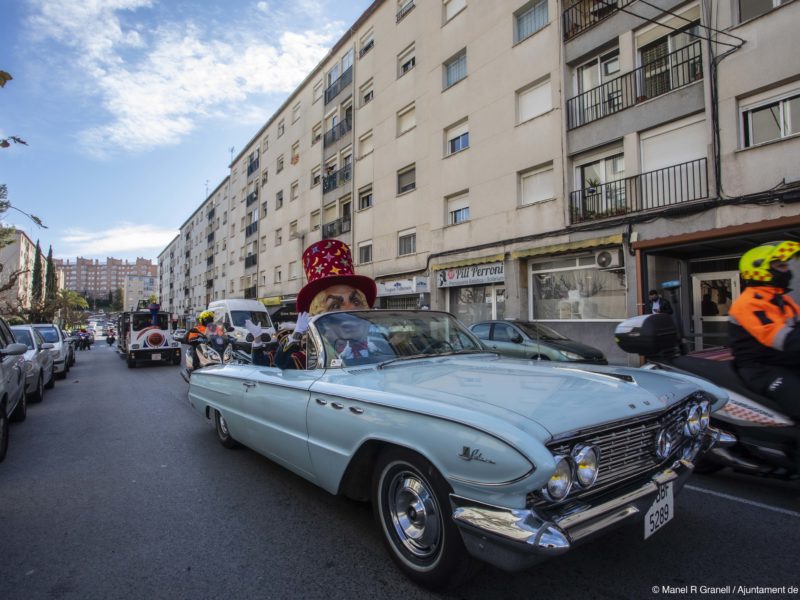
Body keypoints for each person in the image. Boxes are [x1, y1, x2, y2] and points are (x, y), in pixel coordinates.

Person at [247, 239, 377, 369]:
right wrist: (259, 339)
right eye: (336, 306)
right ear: (318, 313)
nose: (349, 310)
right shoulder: (310, 356)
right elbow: (278, 362)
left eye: (355, 301)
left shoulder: (381, 349)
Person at [729, 240, 800, 417]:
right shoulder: (749, 303)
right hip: (760, 369)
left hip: (785, 362)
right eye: (780, 266)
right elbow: (781, 338)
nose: (787, 270)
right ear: (761, 270)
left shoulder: (783, 300)